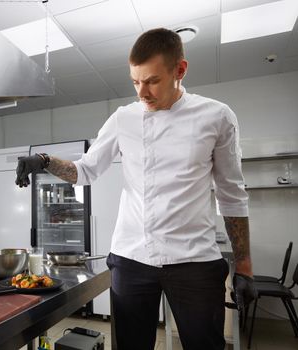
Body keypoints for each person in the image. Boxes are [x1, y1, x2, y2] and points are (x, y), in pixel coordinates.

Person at [15, 28, 257, 350]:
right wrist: (44, 161)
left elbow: (231, 193)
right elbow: (85, 171)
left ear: (180, 71)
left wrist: (244, 268)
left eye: (152, 81)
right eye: (135, 81)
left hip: (194, 260)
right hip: (131, 258)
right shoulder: (123, 119)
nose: (142, 92)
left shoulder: (216, 116)